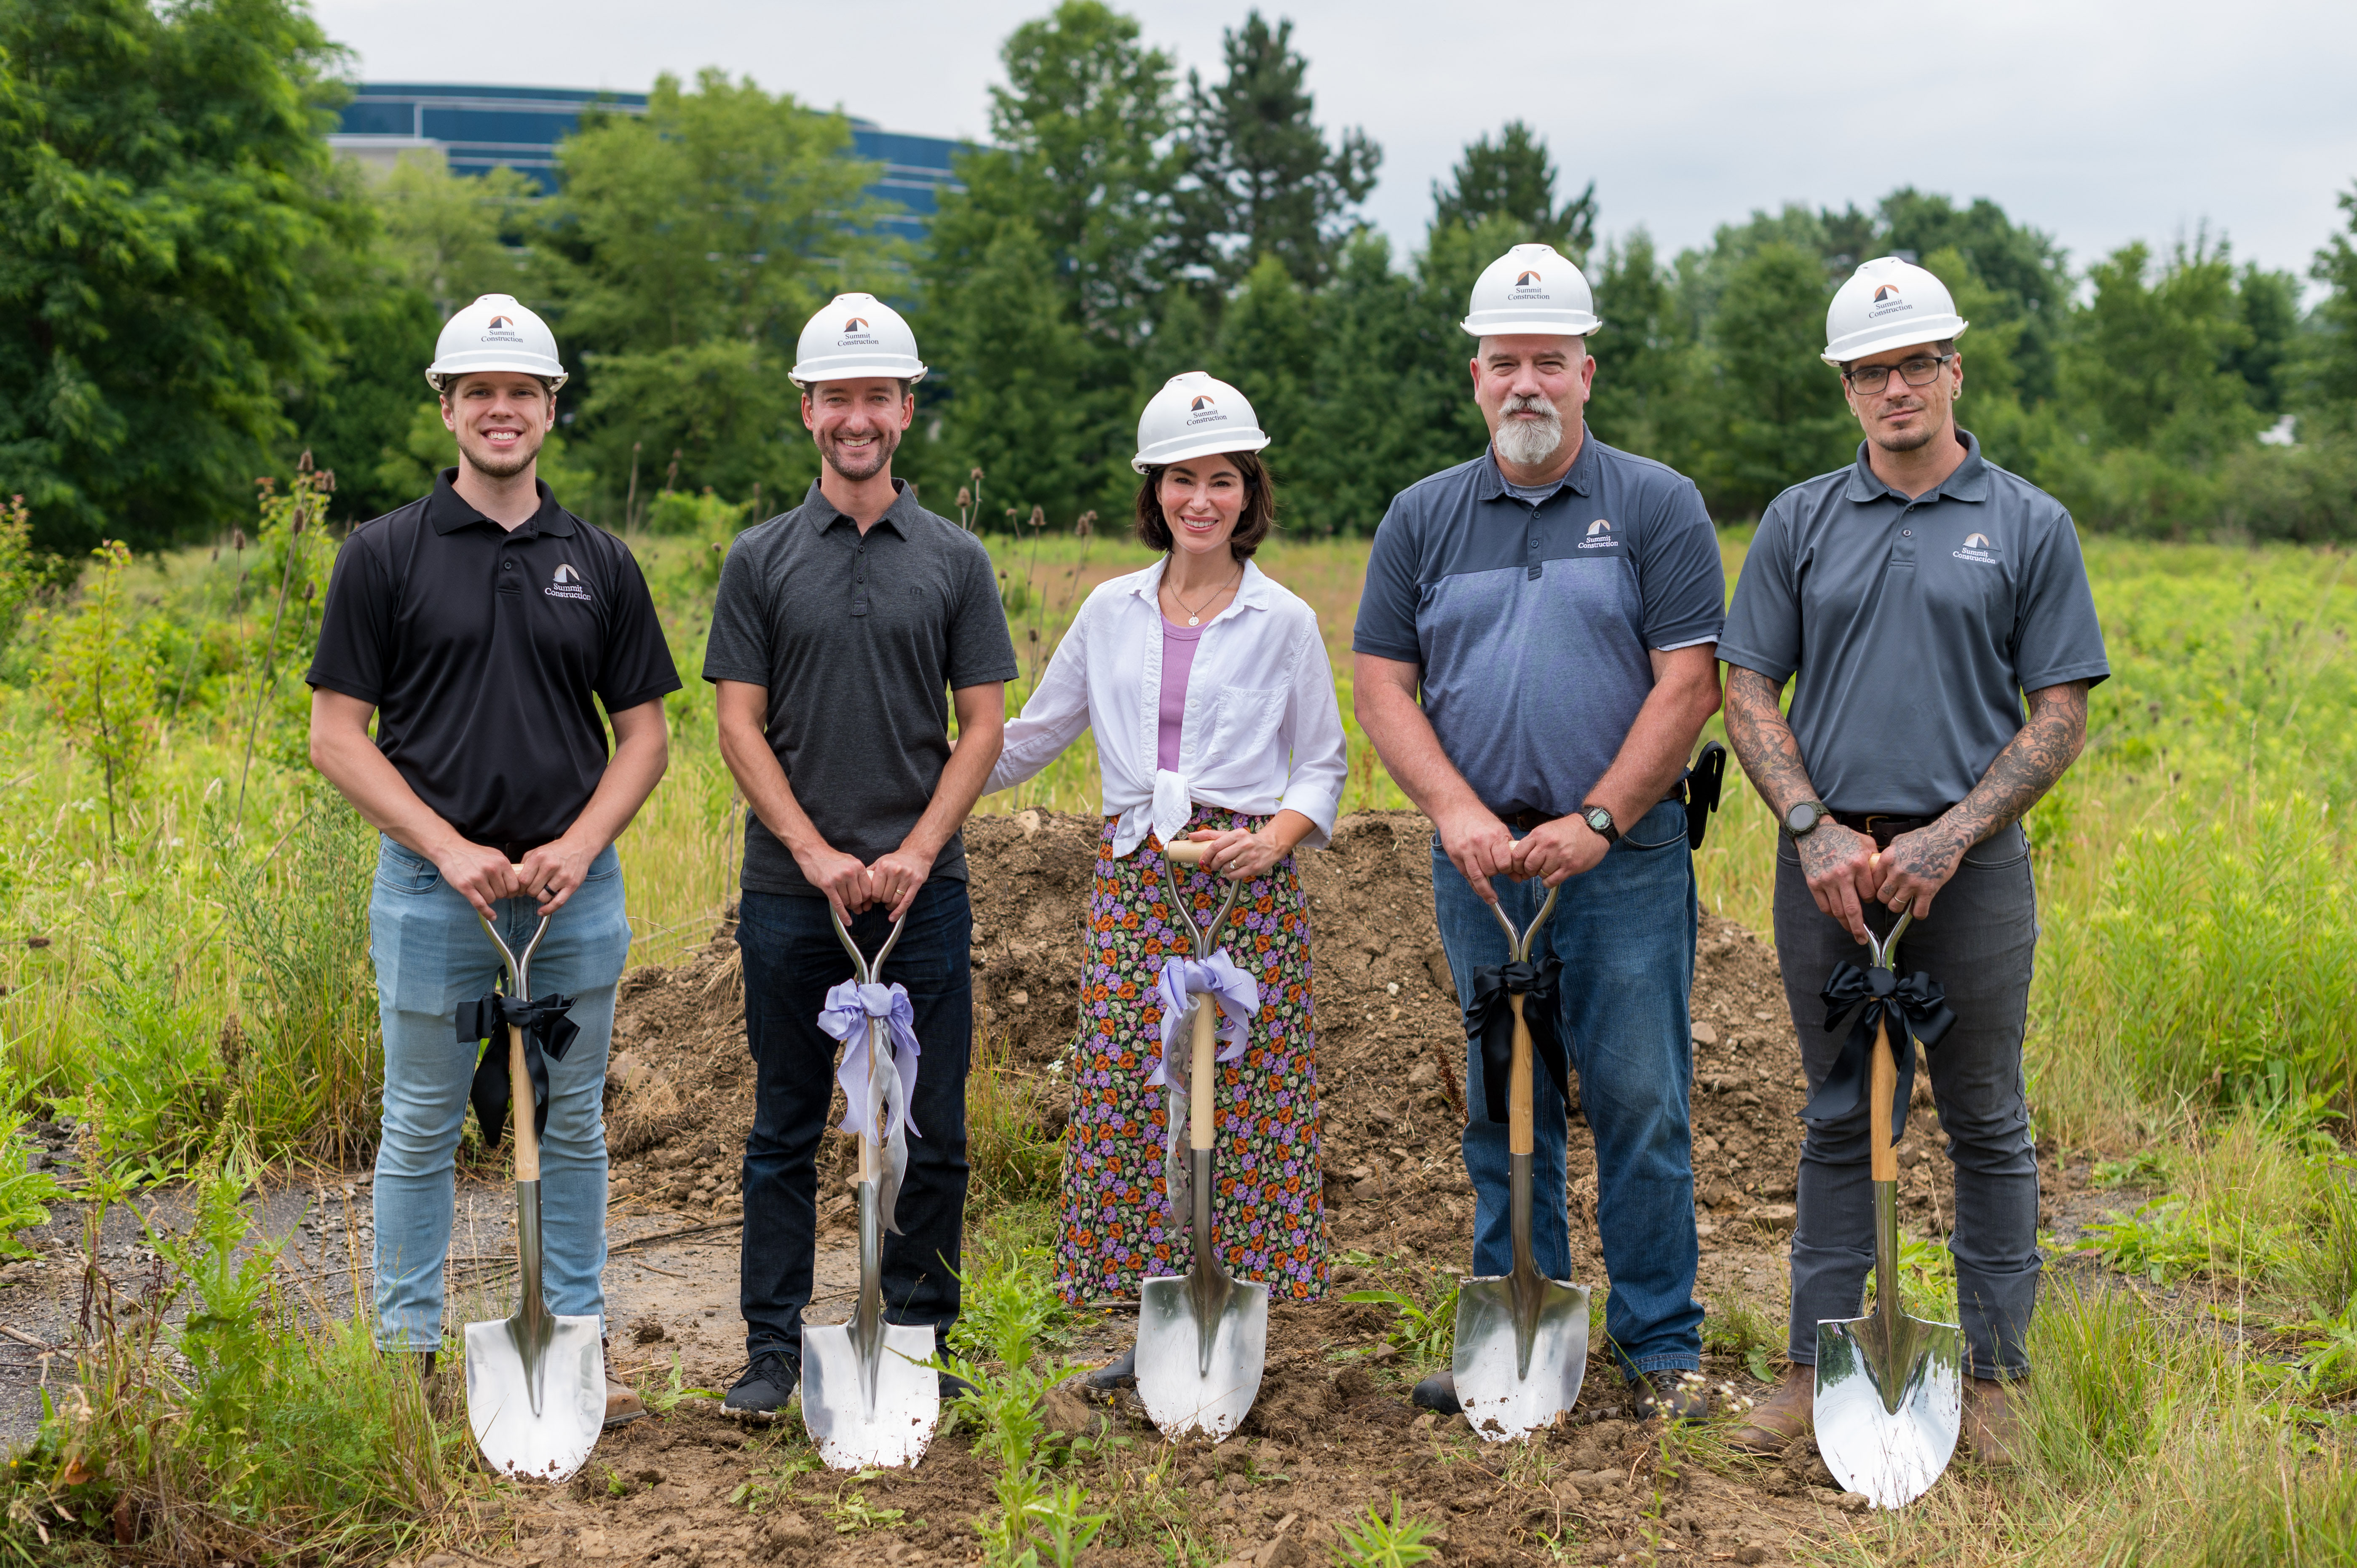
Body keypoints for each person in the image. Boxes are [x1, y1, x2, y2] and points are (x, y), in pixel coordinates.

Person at [1718, 256, 2106, 1462]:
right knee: (1841, 1110)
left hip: (1967, 867)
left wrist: (1951, 833)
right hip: (1827, 865)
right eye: (1869, 371)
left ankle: (1994, 1379)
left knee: (1984, 1116)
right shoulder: (1798, 520)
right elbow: (1745, 685)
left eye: (1913, 363)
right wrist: (1811, 827)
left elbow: (2057, 714)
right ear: (1845, 389)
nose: (1895, 387)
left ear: (1951, 368)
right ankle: (1809, 1361)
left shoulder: (2028, 522)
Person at [1352, 244, 1727, 1421]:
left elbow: (1687, 682)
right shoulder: (1423, 516)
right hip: (1481, 866)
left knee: (1637, 1101)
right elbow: (1378, 682)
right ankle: (1518, 1319)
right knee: (1500, 1102)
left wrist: (1600, 818)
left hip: (1620, 859)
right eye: (1504, 361)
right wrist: (1457, 812)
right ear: (1475, 376)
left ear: (1585, 371)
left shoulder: (1654, 504)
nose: (1526, 383)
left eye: (1547, 362)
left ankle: (1659, 1346)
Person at [308, 294, 680, 1425]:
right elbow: (335, 736)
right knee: (421, 1122)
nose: (501, 410)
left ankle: (573, 1333)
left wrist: (579, 843)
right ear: (447, 408)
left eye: (522, 391)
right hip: (433, 895)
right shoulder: (383, 553)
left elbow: (648, 737)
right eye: (480, 392)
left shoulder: (599, 561)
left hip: (571, 896)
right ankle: (405, 1356)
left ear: (551, 409)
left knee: (569, 1119)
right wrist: (446, 846)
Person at [985, 373, 1348, 1382]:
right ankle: (1154, 1331)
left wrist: (1272, 837)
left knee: (1247, 1098)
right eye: (1181, 478)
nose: (1201, 499)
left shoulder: (1283, 619)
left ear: (1249, 490)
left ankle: (1234, 1323)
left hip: (1246, 882)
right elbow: (1031, 737)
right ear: (1153, 491)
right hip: (1139, 878)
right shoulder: (1109, 611)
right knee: (1138, 1096)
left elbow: (1320, 762)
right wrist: (927, 766)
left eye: (1222, 478)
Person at [702, 293, 1017, 1416]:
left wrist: (919, 850)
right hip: (794, 897)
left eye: (877, 396)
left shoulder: (955, 559)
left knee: (928, 1126)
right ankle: (772, 1349)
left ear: (905, 408)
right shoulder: (759, 558)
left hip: (921, 899)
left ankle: (919, 1334)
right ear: (807, 409)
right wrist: (816, 850)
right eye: (837, 397)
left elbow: (979, 723)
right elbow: (739, 724)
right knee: (787, 1121)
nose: (857, 417)